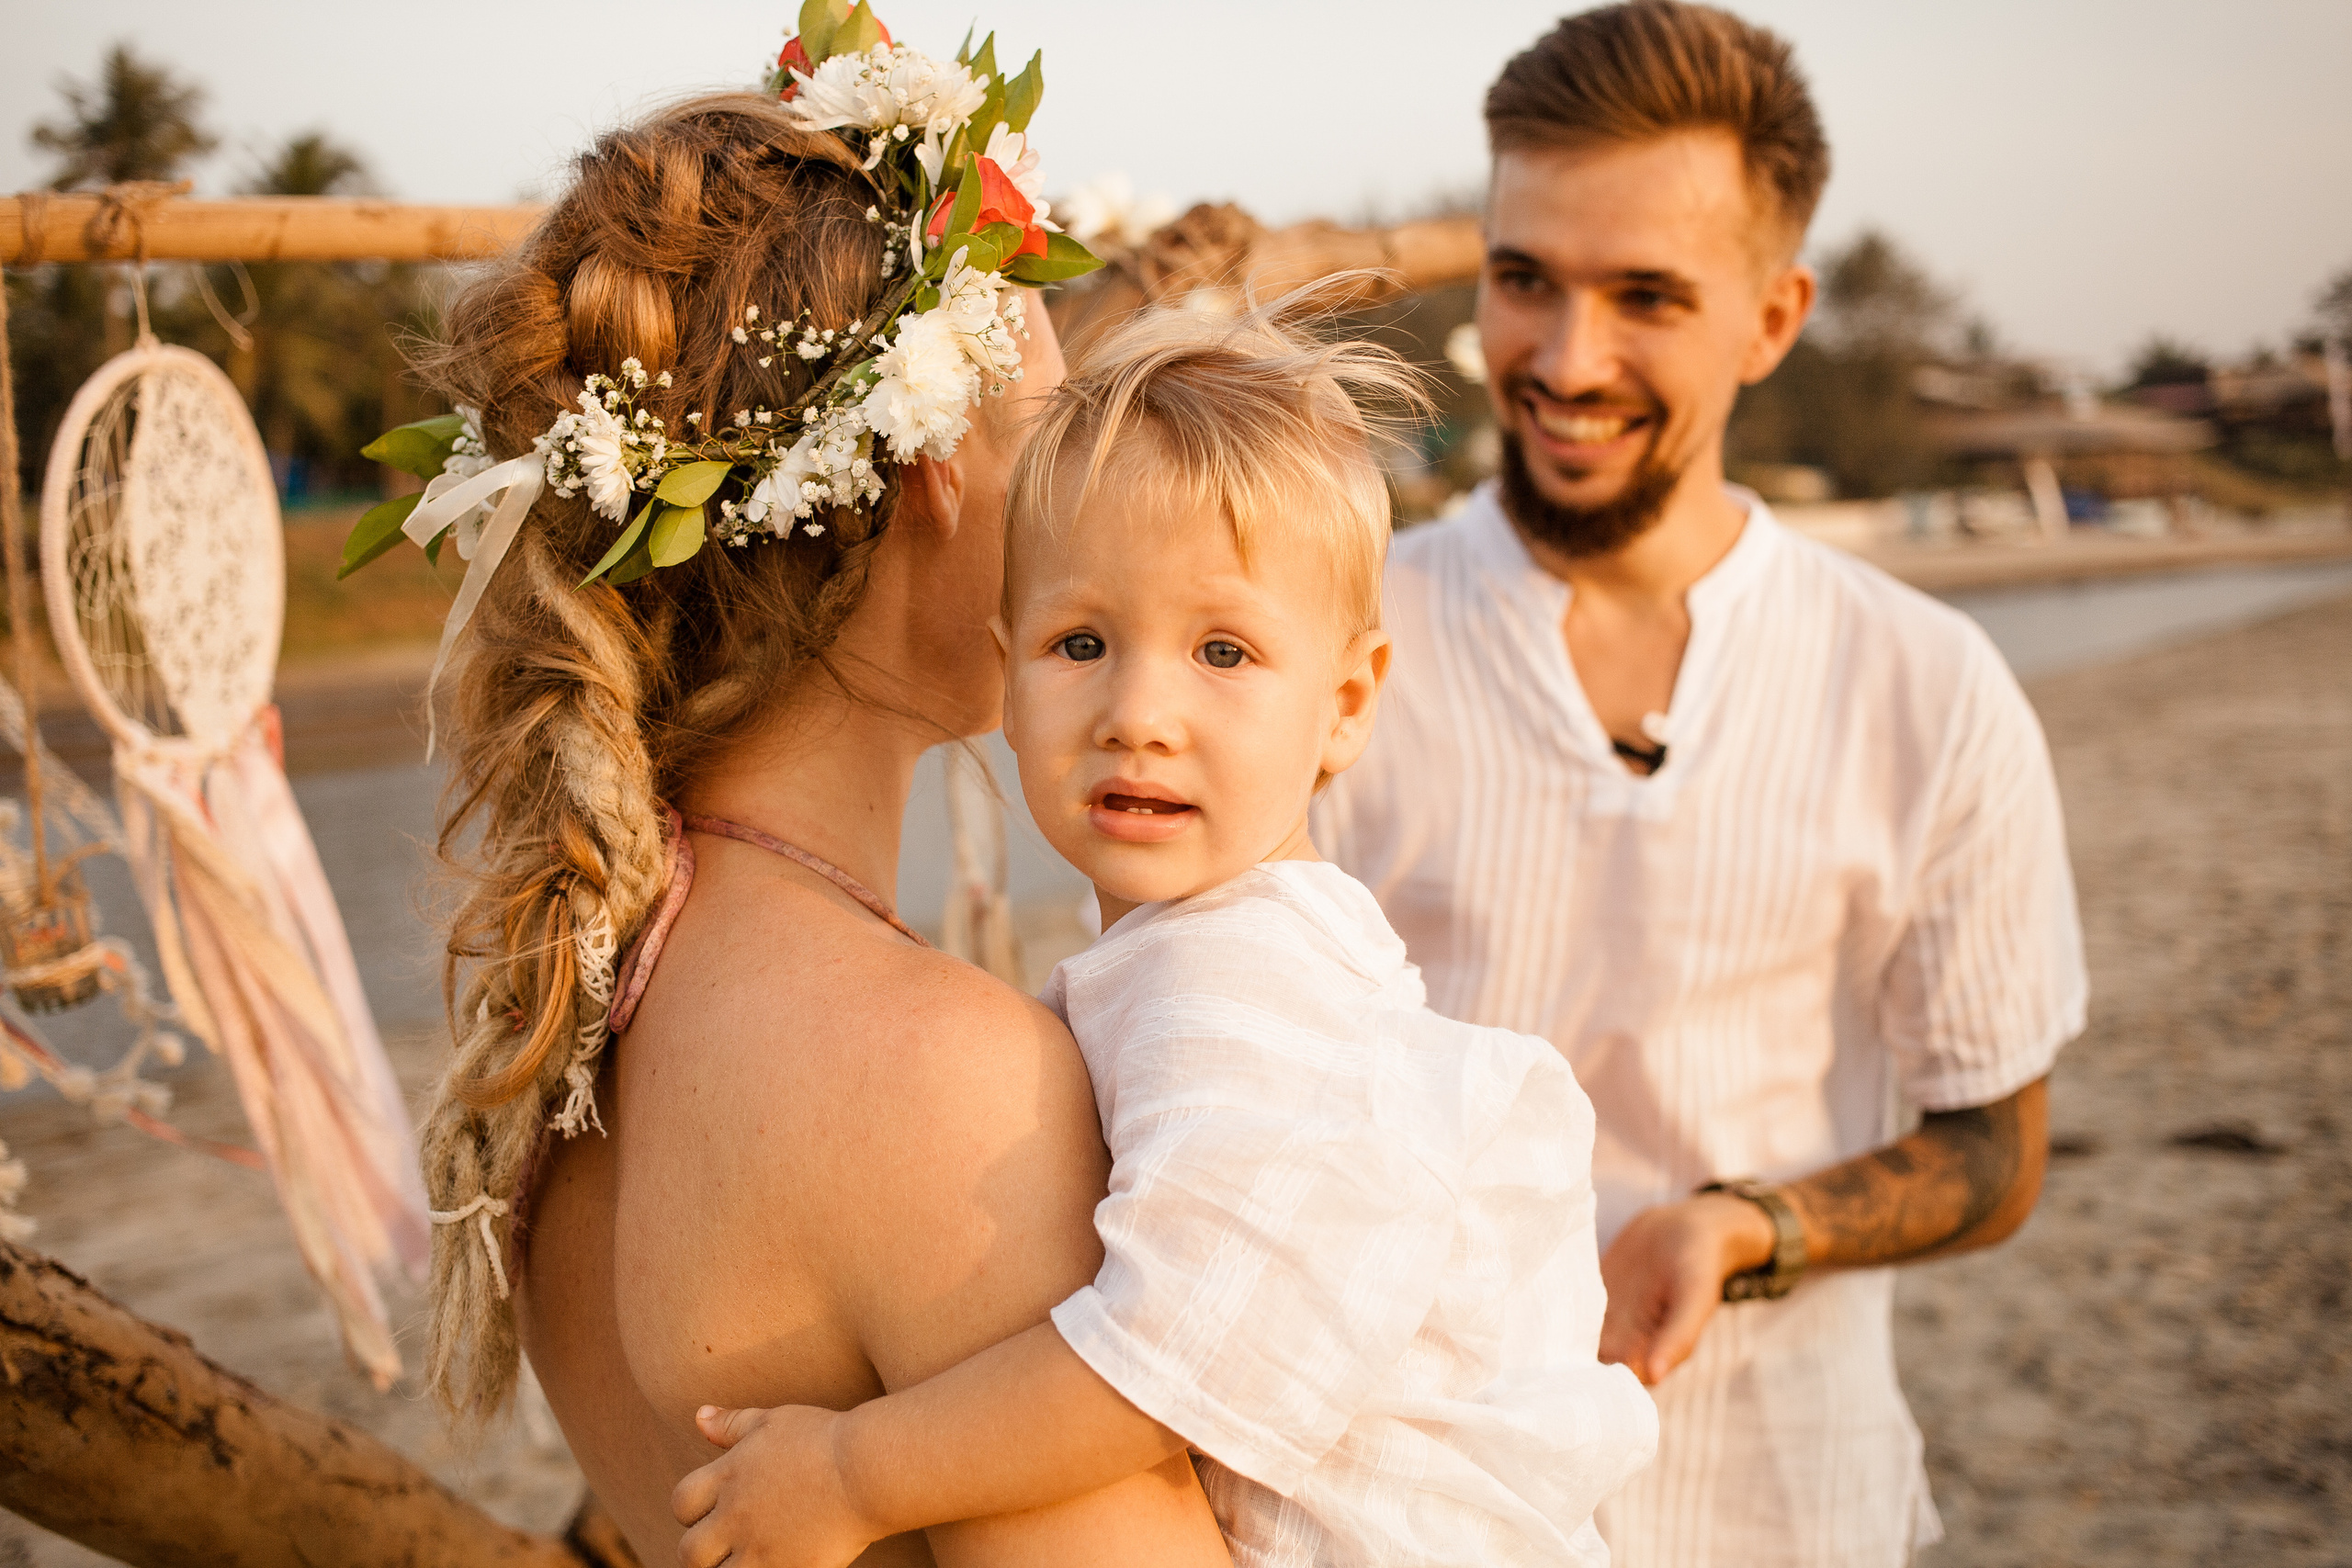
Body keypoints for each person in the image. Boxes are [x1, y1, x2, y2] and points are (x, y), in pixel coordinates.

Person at [669, 305, 1658, 1567]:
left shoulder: (1246, 982)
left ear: (1347, 704)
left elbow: (1180, 1360)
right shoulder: (1196, 954)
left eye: (1224, 652)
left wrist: (862, 1472)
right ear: (1009, 682)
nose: (1141, 713)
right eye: (1080, 643)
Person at [404, 85, 1234, 1566]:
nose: (1080, 485)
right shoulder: (930, 1084)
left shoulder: (580, 999)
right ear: (934, 467)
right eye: (1050, 419)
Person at [1313, 4, 2087, 1564]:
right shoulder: (1332, 647)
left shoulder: (1928, 689)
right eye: (1525, 279)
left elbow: (1994, 1150)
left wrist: (1749, 1229)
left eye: (1646, 297)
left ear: (1775, 316)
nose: (1565, 358)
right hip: (1401, 1514)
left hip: (1788, 1505)